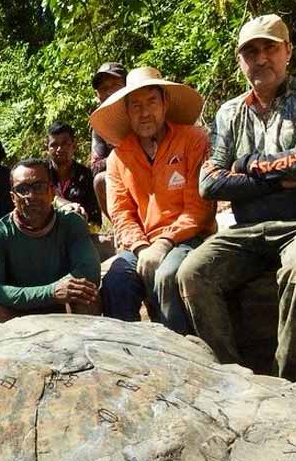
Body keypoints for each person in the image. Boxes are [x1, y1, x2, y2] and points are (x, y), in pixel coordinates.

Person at [177, 15, 296, 380]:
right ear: (241, 61)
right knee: (193, 272)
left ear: (287, 51)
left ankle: (288, 383)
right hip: (249, 229)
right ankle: (232, 377)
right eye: (251, 51)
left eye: (270, 47)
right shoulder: (229, 112)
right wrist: (275, 178)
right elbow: (209, 182)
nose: (261, 58)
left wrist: (244, 165)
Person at [90, 68, 215, 333]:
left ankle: (180, 355)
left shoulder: (194, 140)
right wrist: (140, 247)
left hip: (187, 239)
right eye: (135, 105)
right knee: (115, 282)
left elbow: (200, 207)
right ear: (126, 112)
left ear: (165, 103)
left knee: (167, 275)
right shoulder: (118, 157)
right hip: (142, 245)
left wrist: (164, 243)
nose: (144, 112)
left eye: (151, 102)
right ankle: (126, 357)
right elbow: (121, 213)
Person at [0, 159, 101, 321]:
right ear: (13, 198)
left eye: (39, 187)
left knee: (87, 298)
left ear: (52, 191)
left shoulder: (72, 223)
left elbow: (89, 272)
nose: (31, 196)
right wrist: (50, 292)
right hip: (19, 312)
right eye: (22, 189)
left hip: (64, 307)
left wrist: (59, 293)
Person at [90, 62, 128, 222]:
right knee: (100, 180)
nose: (109, 91)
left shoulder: (142, 109)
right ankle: (121, 225)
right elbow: (95, 165)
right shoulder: (99, 124)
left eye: (115, 85)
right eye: (103, 88)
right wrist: (124, 155)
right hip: (122, 174)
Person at [46, 122, 101, 229]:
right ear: (47, 148)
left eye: (64, 144)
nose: (59, 149)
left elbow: (95, 219)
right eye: (54, 145)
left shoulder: (86, 176)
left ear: (74, 146)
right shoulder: (40, 174)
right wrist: (61, 203)